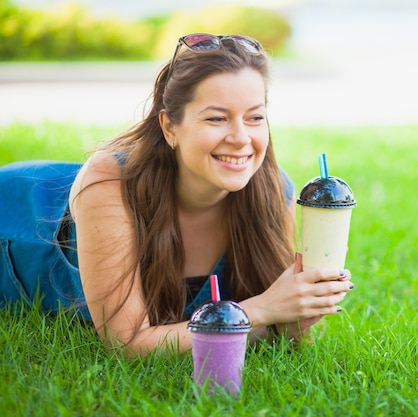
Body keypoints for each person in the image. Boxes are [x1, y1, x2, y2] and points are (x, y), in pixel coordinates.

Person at [0, 33, 354, 356]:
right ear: (170, 127)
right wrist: (263, 308)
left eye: (254, 117)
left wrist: (304, 304)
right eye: (216, 119)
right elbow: (128, 343)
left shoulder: (274, 190)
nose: (241, 138)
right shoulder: (109, 184)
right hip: (13, 215)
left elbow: (278, 333)